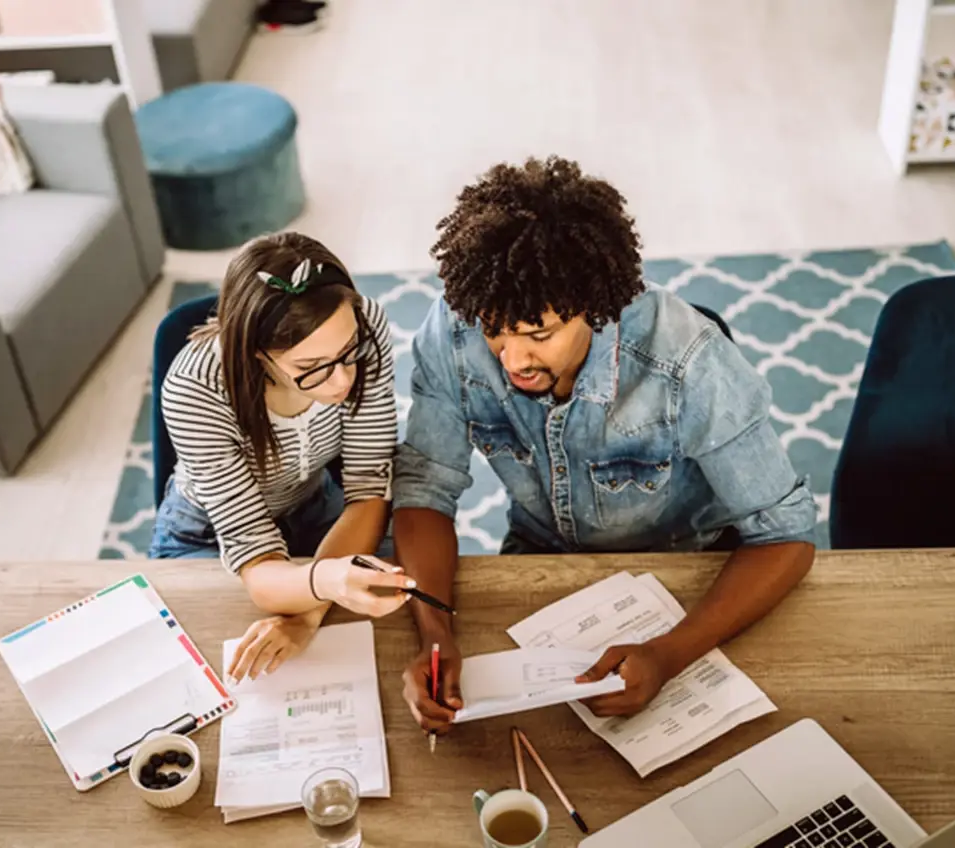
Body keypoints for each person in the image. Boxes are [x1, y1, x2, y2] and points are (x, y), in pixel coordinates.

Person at [393, 157, 818, 733]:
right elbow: (425, 489)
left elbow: (786, 537)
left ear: (596, 310)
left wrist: (669, 655)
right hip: (536, 554)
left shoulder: (689, 360)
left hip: (683, 568)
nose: (512, 360)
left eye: (538, 334)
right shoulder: (453, 329)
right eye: (496, 330)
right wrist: (436, 636)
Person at [149, 231, 414, 682]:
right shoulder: (194, 389)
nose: (341, 382)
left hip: (315, 503)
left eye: (348, 355)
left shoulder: (364, 322)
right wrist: (327, 582)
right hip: (206, 531)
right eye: (311, 369)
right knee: (198, 669)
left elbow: (370, 486)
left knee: (402, 618)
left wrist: (306, 616)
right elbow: (255, 557)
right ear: (256, 354)